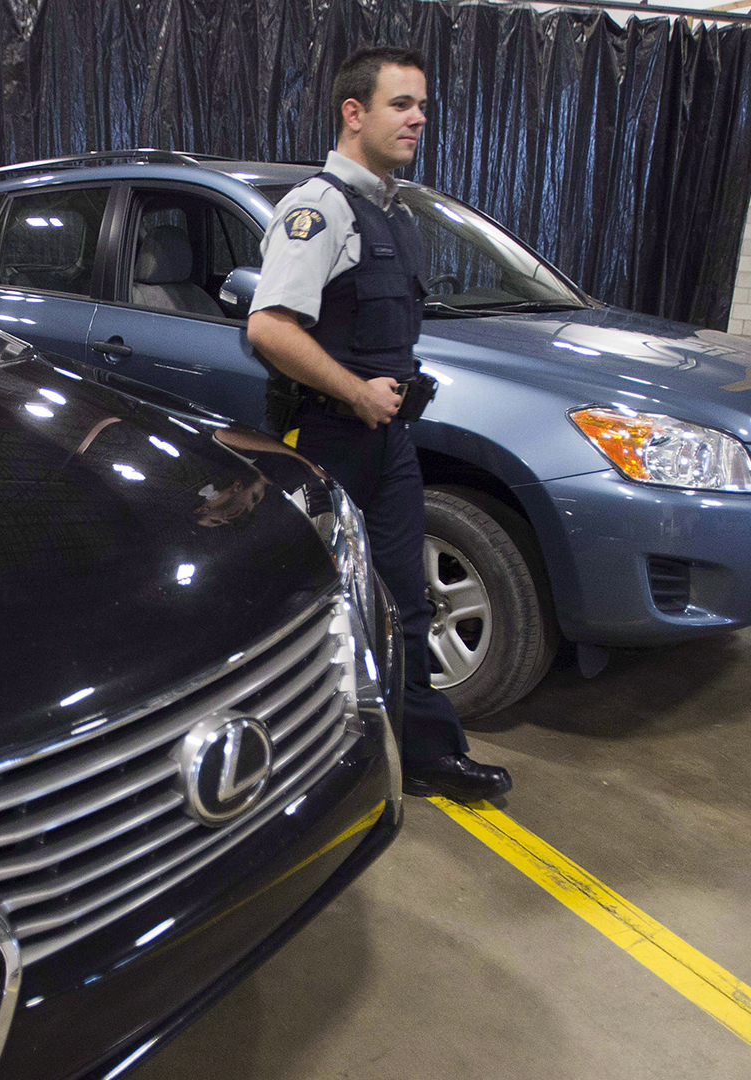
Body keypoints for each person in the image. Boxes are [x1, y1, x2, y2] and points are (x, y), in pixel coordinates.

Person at [245, 47, 512, 801]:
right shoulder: (317, 209)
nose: (419, 117)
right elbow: (269, 329)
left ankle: (426, 752)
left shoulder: (392, 212)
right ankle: (299, 757)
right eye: (402, 104)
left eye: (422, 104)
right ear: (353, 113)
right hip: (326, 438)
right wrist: (356, 392)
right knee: (311, 599)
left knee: (405, 595)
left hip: (385, 440)